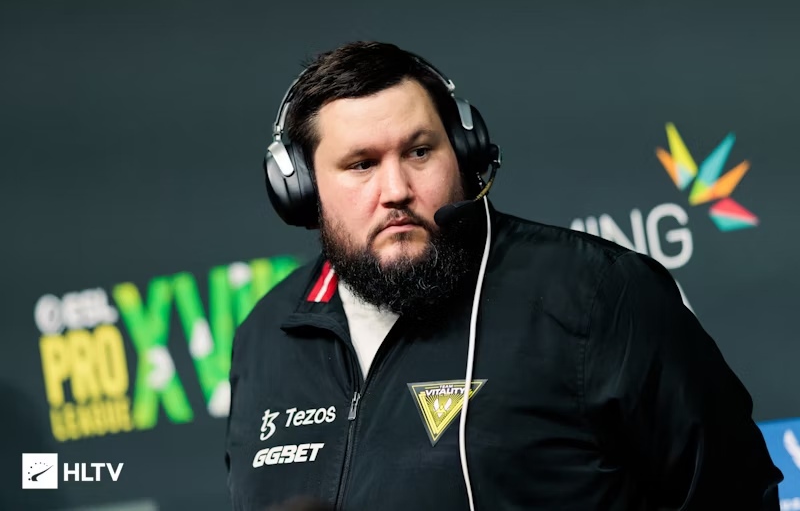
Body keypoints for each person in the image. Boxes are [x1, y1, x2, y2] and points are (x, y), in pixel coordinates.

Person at [224, 40, 783, 511]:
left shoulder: (598, 294)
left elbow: (735, 493)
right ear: (302, 190)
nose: (395, 189)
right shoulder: (266, 338)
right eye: (361, 164)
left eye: (419, 152)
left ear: (464, 152)